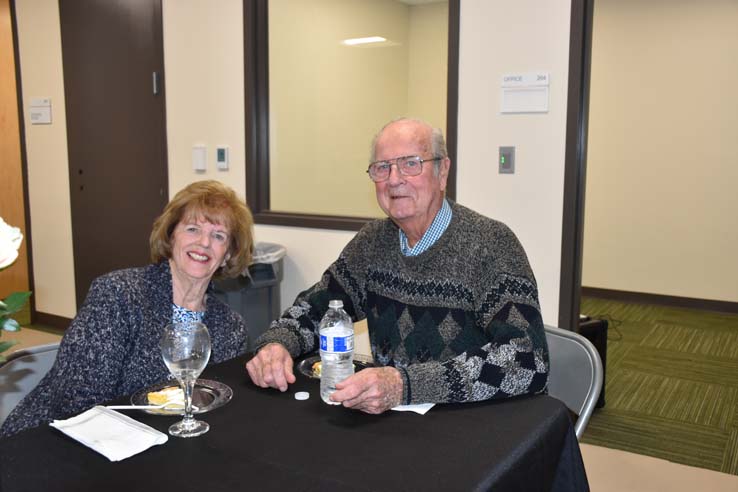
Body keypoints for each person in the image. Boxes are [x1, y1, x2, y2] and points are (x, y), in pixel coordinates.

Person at [246, 118, 548, 414]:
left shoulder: (492, 244)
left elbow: (527, 361)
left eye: (410, 164)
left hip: (475, 424)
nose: (393, 179)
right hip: (392, 425)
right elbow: (316, 309)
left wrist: (404, 385)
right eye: (382, 168)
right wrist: (277, 344)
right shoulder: (371, 242)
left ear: (442, 172)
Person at [1, 180, 254, 437]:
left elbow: (215, 408)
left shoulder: (230, 327)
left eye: (218, 236)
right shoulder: (117, 294)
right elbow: (77, 400)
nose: (204, 243)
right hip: (55, 441)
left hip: (160, 446)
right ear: (171, 236)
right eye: (192, 229)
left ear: (228, 254)